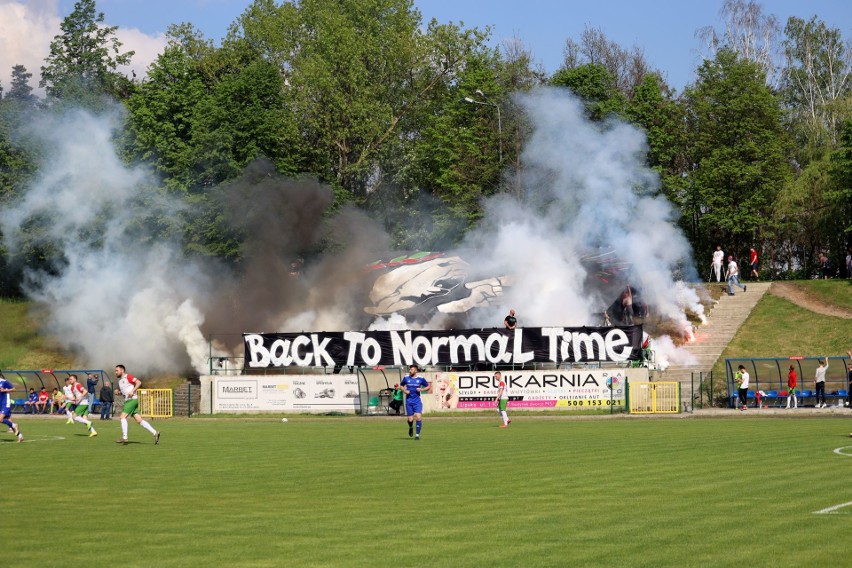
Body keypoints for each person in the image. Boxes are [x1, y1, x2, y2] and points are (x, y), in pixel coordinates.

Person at [114, 364, 160, 445]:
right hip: (129, 400)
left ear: (122, 370)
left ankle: (125, 437)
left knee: (122, 417)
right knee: (139, 420)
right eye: (115, 371)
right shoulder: (120, 381)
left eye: (117, 370)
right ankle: (155, 432)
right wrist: (118, 392)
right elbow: (125, 391)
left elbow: (139, 382)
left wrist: (133, 391)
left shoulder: (128, 376)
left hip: (132, 400)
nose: (115, 372)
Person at [400, 365, 431, 441]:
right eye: (410, 369)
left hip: (417, 401)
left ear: (416, 371)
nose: (410, 370)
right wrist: (405, 391)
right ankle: (410, 427)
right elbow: (401, 385)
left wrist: (421, 389)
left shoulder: (420, 379)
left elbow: (428, 386)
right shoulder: (406, 378)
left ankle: (417, 435)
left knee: (418, 417)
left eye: (412, 369)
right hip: (409, 401)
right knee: (410, 420)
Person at [0, 374, 23, 442]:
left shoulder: (4, 382)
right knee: (5, 421)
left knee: (0, 419)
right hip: (0, 404)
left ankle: (14, 425)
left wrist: (4, 390)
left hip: (5, 403)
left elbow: (14, 389)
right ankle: (20, 436)